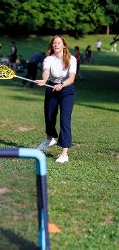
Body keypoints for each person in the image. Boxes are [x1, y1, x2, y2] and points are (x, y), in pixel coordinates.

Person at [35, 35, 77, 163]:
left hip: (67, 89)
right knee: (49, 116)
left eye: (58, 43)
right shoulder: (48, 59)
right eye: (54, 43)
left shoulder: (71, 59)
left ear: (64, 45)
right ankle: (49, 139)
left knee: (65, 120)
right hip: (51, 87)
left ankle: (64, 154)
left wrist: (62, 85)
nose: (56, 45)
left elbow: (71, 77)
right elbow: (46, 71)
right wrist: (44, 80)